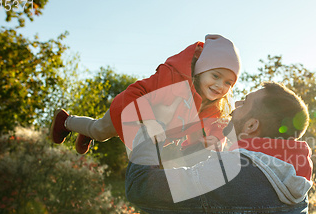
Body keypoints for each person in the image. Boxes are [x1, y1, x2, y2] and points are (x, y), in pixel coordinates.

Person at [126, 82, 315, 214]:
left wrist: (153, 125)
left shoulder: (234, 173)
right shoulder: (289, 172)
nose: (236, 103)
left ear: (252, 125)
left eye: (245, 102)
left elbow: (140, 185)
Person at [49, 34, 241, 154]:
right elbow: (134, 92)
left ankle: (86, 130)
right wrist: (149, 121)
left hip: (151, 137)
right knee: (100, 131)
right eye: (215, 75)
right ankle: (66, 121)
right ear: (200, 70)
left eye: (228, 83)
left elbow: (214, 127)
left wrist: (215, 141)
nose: (219, 86)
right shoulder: (173, 79)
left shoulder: (213, 107)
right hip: (127, 112)